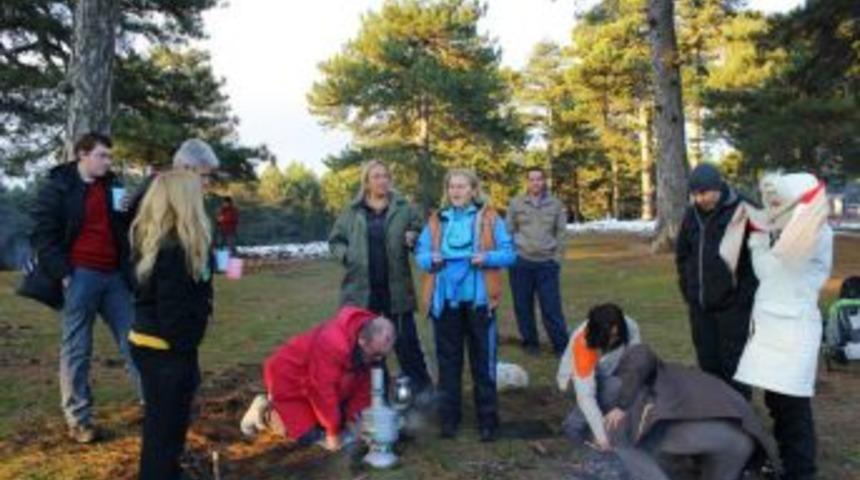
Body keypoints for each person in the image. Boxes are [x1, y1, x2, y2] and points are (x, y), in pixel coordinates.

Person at [30, 132, 140, 444]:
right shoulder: (58, 187)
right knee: (77, 347)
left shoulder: (113, 185)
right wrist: (63, 273)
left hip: (114, 277)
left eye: (109, 156)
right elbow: (42, 235)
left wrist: (130, 209)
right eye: (102, 155)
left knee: (135, 341)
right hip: (80, 276)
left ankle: (154, 404)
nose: (107, 162)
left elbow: (123, 229)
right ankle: (79, 420)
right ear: (82, 154)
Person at [734, 172, 833, 480]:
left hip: (794, 331)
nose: (773, 208)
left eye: (779, 202)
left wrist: (764, 234)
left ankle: (801, 471)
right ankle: (787, 465)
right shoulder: (783, 231)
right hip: (769, 328)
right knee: (776, 403)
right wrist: (759, 238)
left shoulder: (815, 232)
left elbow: (785, 265)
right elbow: (767, 272)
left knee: (793, 408)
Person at [415, 168, 515, 442]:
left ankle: (487, 421)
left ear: (473, 190)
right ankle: (449, 419)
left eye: (462, 186)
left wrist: (487, 258)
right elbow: (421, 253)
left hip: (480, 304)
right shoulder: (437, 220)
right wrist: (430, 259)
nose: (456, 191)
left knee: (483, 364)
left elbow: (509, 254)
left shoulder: (490, 218)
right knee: (448, 364)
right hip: (445, 305)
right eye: (452, 187)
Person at [128, 171, 214, 480]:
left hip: (151, 344)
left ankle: (167, 472)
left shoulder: (153, 241)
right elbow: (173, 311)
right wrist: (186, 347)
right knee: (164, 432)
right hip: (166, 350)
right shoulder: (173, 249)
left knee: (163, 428)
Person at [328, 160, 432, 395]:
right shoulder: (352, 211)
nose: (382, 181)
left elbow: (421, 232)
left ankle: (424, 395)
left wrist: (414, 236)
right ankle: (377, 396)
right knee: (369, 347)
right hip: (362, 291)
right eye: (376, 177)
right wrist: (347, 256)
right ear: (366, 182)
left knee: (406, 344)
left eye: (385, 176)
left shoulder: (403, 208)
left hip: (396, 289)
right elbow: (335, 241)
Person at [604, 345, 781, 480]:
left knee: (650, 451)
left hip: (711, 437)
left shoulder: (639, 400)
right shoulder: (677, 375)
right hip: (745, 435)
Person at [239, 307, 396, 451]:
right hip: (289, 380)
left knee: (341, 423)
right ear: (362, 341)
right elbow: (322, 392)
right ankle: (264, 412)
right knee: (308, 436)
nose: (379, 360)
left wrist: (355, 420)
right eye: (376, 354)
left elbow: (363, 388)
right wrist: (332, 433)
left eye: (383, 355)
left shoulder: (367, 340)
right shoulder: (332, 344)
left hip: (325, 384)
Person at [675, 163, 758, 398]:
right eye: (695, 194)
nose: (699, 199)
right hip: (700, 305)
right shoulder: (691, 215)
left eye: (704, 193)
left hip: (733, 306)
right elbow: (682, 255)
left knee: (734, 362)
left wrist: (742, 297)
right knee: (707, 360)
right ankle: (715, 408)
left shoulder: (743, 209)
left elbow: (757, 258)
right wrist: (689, 290)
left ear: (718, 187)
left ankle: (740, 412)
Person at [557, 303, 640, 451]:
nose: (613, 340)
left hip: (606, 373)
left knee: (629, 385)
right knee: (613, 387)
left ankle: (602, 419)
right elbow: (586, 397)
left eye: (616, 335)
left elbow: (635, 363)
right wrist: (602, 437)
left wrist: (622, 407)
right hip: (573, 380)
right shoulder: (583, 343)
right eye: (610, 337)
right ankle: (573, 425)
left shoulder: (629, 326)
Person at [507, 167, 569, 356]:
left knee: (551, 307)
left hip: (547, 263)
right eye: (532, 179)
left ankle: (561, 345)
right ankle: (530, 343)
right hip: (521, 263)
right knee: (523, 306)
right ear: (527, 182)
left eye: (539, 179)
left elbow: (561, 233)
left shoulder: (555, 204)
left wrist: (557, 258)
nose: (535, 183)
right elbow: (508, 231)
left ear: (544, 181)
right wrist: (512, 255)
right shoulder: (516, 203)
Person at [125, 138, 220, 217]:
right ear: (185, 168)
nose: (206, 181)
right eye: (203, 175)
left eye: (209, 176)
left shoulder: (181, 191)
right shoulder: (158, 187)